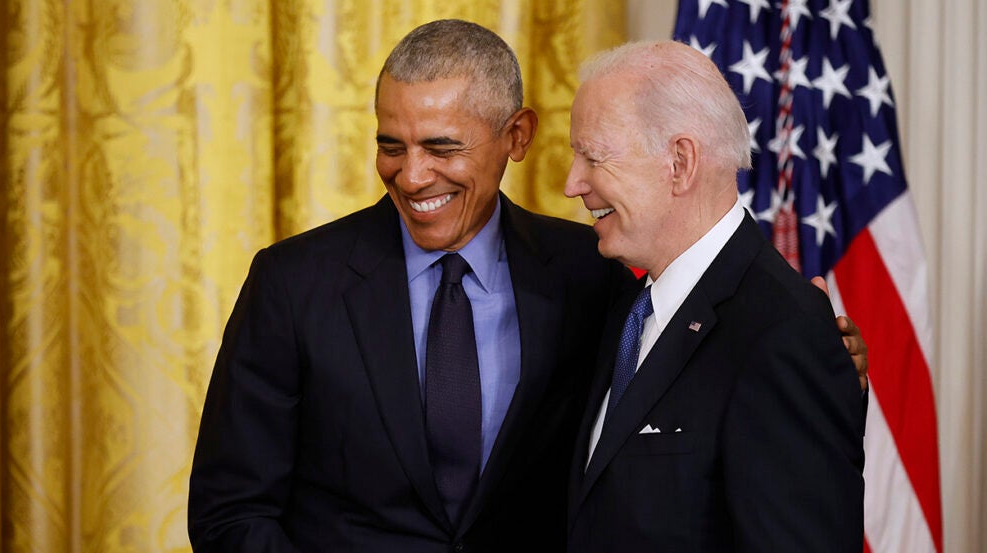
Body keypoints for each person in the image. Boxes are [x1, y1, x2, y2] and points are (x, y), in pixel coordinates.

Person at [188, 20, 866, 553]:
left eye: (443, 147)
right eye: (392, 144)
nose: (411, 174)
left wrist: (824, 361)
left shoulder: (590, 276)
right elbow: (229, 511)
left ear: (515, 136)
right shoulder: (292, 283)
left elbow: (719, 400)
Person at [564, 41, 865, 552]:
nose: (572, 183)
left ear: (680, 162)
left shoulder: (784, 332)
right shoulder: (628, 308)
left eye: (593, 157)